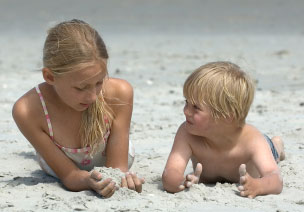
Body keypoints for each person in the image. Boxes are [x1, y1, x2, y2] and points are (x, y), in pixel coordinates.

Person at [12, 19, 144, 198]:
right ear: (49, 76)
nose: (92, 96)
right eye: (81, 88)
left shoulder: (120, 93)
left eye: (99, 82)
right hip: (58, 165)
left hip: (110, 154)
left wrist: (120, 178)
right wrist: (86, 181)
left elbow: (117, 168)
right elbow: (70, 176)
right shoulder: (27, 111)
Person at [162, 61, 285, 198]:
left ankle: (277, 145)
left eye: (196, 107)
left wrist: (259, 185)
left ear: (226, 116)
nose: (186, 111)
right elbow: (171, 170)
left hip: (264, 144)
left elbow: (275, 180)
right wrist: (178, 181)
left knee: (273, 151)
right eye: (186, 102)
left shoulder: (252, 140)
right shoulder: (187, 133)